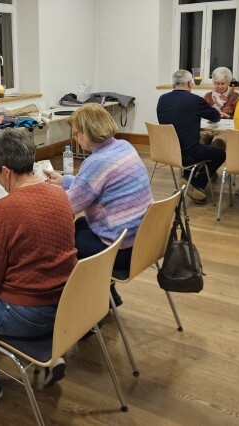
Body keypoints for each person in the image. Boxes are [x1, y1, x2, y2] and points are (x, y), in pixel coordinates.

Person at [0, 128, 78, 401]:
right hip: (65, 305)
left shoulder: (4, 208)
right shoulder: (60, 195)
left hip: (27, 314)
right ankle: (48, 354)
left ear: (6, 171)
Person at [44, 103, 153, 307]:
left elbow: (67, 208)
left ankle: (84, 306)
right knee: (81, 225)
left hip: (120, 250)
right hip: (143, 241)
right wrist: (64, 181)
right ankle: (106, 295)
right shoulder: (124, 146)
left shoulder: (96, 162)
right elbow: (94, 184)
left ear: (89, 132)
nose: (75, 137)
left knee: (60, 241)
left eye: (76, 133)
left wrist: (39, 197)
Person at [156, 69, 225, 204]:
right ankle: (196, 183)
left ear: (173, 84)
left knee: (198, 144)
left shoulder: (162, 99)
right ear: (189, 83)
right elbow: (216, 117)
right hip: (188, 154)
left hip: (167, 152)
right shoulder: (194, 100)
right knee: (220, 154)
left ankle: (187, 177)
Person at [200, 66, 239, 151]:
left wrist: (228, 116)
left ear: (228, 83)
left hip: (225, 130)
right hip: (208, 128)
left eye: (222, 84)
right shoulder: (208, 96)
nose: (219, 86)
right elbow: (201, 114)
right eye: (217, 83)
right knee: (201, 139)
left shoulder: (236, 97)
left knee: (218, 142)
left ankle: (216, 158)